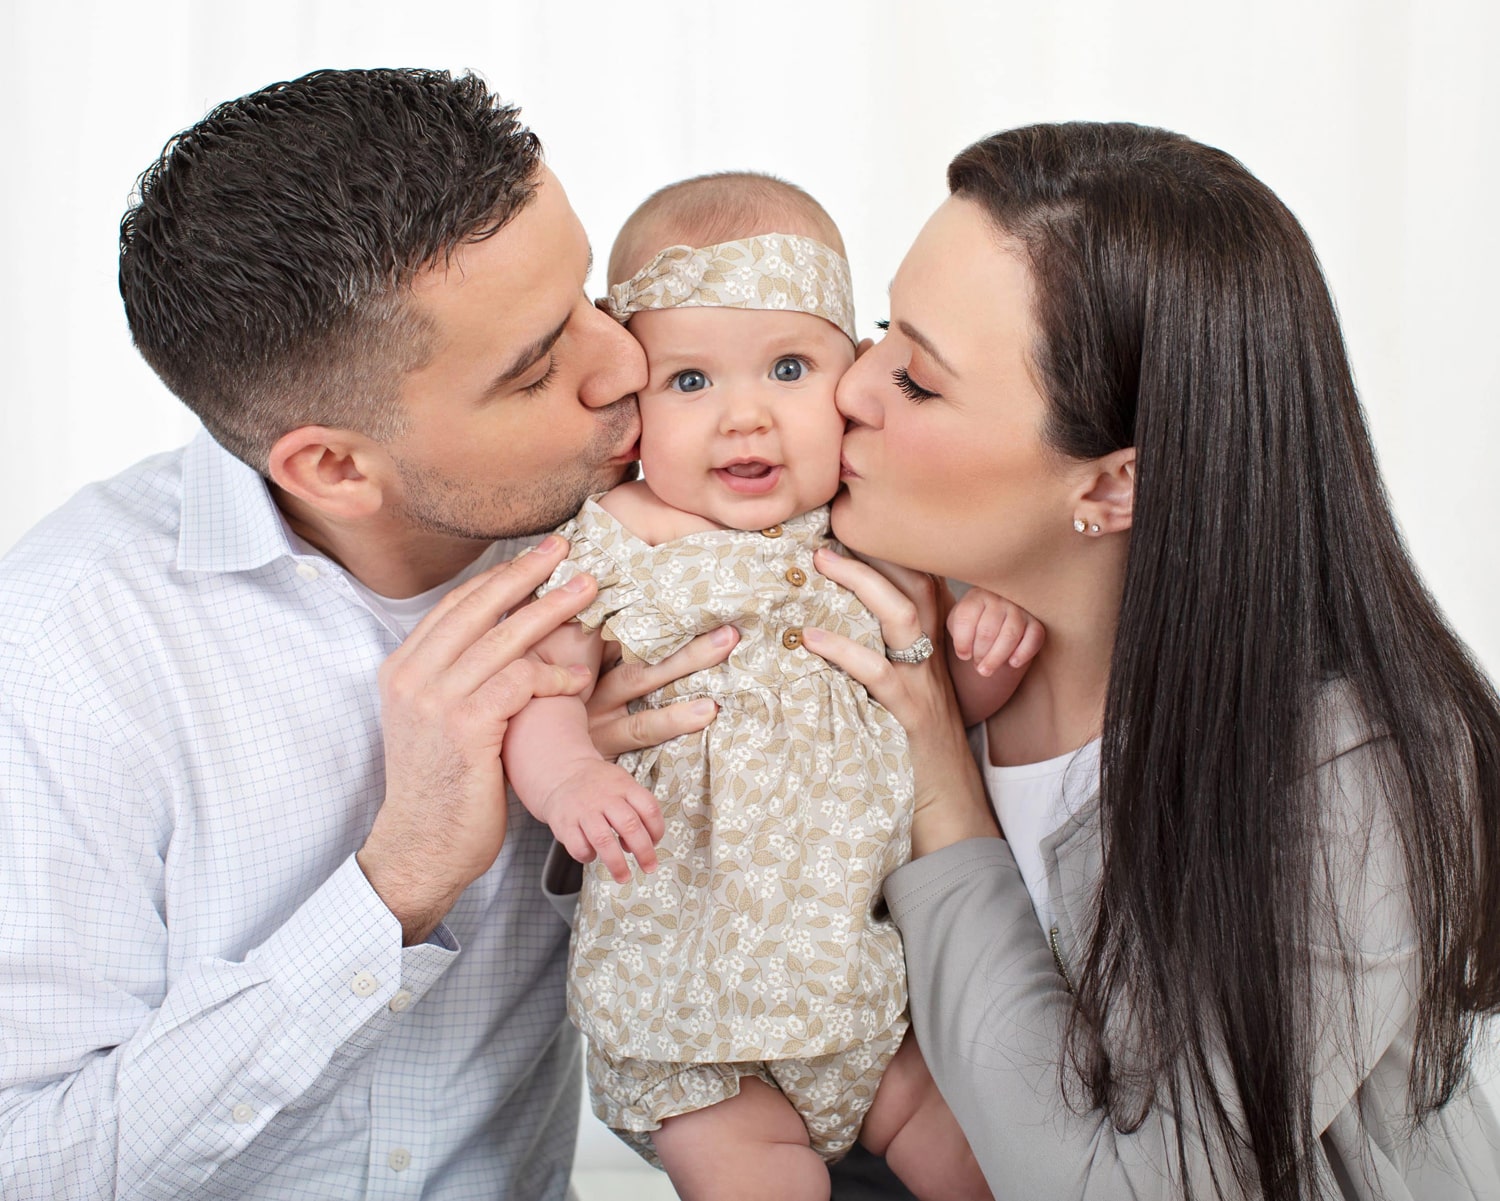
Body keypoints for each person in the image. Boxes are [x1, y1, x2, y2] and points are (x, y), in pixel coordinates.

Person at [0, 67, 743, 1200]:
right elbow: (30, 1155)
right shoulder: (65, 647)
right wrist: (395, 885)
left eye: (589, 294)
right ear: (334, 466)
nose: (628, 364)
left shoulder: (657, 546)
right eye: (540, 367)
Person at [800, 121, 1500, 1200]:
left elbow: (1131, 1187)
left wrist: (941, 795)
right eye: (886, 329)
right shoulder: (869, 629)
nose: (852, 386)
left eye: (922, 383)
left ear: (1112, 486)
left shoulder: (1361, 767)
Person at [506, 173, 1035, 1200]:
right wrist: (569, 775)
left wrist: (986, 654)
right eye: (690, 382)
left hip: (866, 995)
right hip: (691, 1018)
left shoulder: (881, 535)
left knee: (980, 1161)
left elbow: (929, 716)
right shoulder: (612, 542)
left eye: (788, 368)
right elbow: (543, 690)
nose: (744, 417)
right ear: (630, 411)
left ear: (852, 378)